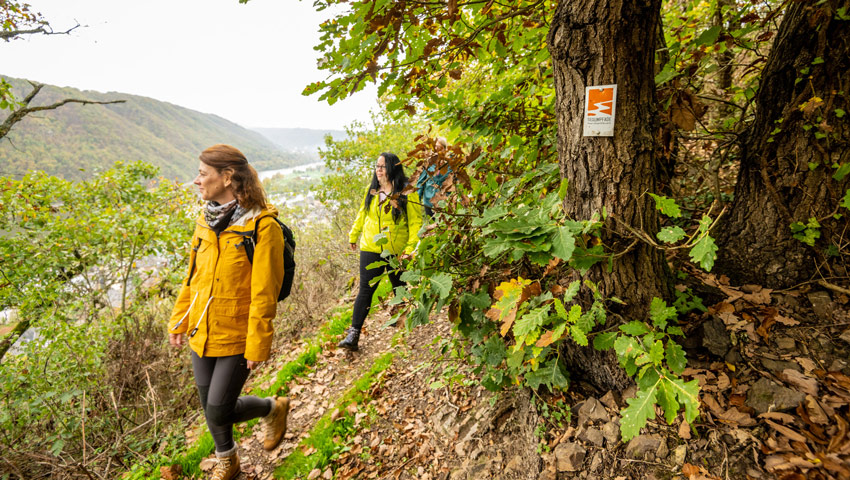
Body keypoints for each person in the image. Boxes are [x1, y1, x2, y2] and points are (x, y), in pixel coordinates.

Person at [168, 144, 289, 480]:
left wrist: (258, 342)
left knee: (220, 408)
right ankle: (229, 460)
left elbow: (265, 291)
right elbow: (192, 278)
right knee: (211, 408)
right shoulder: (205, 221)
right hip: (202, 329)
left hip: (237, 333)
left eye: (203, 174)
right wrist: (180, 320)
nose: (197, 181)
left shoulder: (263, 227)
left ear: (227, 177)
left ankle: (272, 407)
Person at [339, 152, 423, 351]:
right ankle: (353, 334)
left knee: (399, 288)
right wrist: (354, 234)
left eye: (382, 166)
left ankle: (405, 327)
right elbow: (363, 213)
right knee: (365, 290)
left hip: (396, 250)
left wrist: (410, 249)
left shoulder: (406, 191)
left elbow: (415, 222)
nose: (378, 170)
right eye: (376, 166)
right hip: (370, 247)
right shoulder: (373, 190)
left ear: (392, 168)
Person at [416, 137, 452, 217]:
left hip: (444, 203)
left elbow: (455, 183)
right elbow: (420, 183)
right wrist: (416, 201)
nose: (437, 150)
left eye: (439, 147)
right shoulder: (428, 164)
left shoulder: (450, 165)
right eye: (435, 147)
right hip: (429, 203)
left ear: (445, 149)